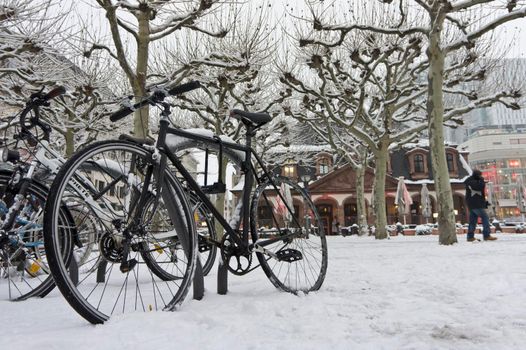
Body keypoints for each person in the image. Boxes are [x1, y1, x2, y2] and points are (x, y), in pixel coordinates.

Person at [464, 169, 497, 242]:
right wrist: (482, 180)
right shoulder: (473, 182)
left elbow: (479, 194)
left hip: (472, 204)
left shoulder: (470, 181)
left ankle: (470, 236)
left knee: (472, 221)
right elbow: (479, 188)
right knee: (485, 217)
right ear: (477, 175)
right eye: (480, 175)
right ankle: (486, 235)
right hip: (476, 204)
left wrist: (484, 203)